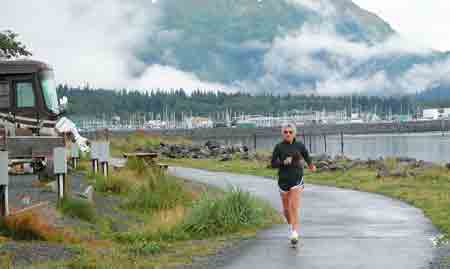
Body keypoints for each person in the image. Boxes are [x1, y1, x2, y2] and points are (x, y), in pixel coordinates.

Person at [271, 123, 316, 245]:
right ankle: (291, 226)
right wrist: (283, 163)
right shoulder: (279, 147)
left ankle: (295, 232)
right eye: (285, 132)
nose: (288, 134)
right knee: (286, 210)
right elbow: (272, 164)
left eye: (290, 132)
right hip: (283, 180)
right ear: (282, 133)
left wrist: (311, 165)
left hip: (297, 178)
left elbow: (306, 155)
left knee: (293, 206)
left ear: (294, 133)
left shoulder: (299, 145)